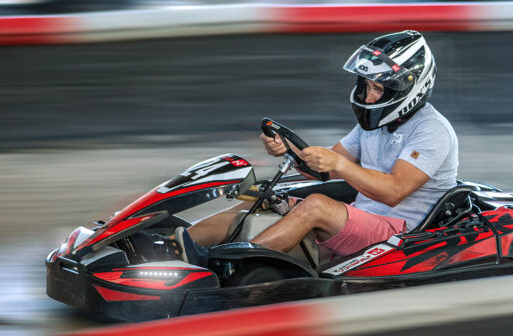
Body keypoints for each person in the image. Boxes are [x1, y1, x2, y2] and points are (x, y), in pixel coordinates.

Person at [176, 30, 458, 265]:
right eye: (367, 86)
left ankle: (232, 266)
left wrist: (339, 165)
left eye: (379, 89)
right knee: (263, 199)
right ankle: (177, 245)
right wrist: (288, 149)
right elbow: (324, 170)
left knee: (316, 206)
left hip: (400, 234)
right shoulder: (373, 125)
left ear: (408, 90)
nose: (369, 97)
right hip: (361, 219)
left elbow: (393, 192)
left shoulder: (431, 130)